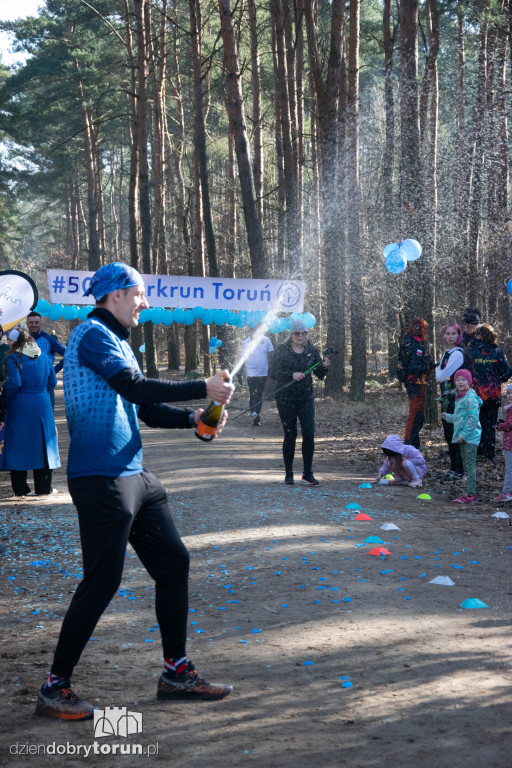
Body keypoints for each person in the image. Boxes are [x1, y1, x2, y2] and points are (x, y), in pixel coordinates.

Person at [35, 262, 234, 722]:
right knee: (102, 581)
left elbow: (142, 406)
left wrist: (193, 420)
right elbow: (132, 385)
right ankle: (54, 687)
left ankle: (175, 672)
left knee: (174, 562)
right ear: (116, 295)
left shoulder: (122, 342)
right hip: (101, 478)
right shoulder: (91, 334)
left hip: (135, 475)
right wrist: (202, 386)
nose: (146, 302)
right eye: (140, 293)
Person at [269, 317, 330, 485]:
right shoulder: (281, 350)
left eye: (304, 333)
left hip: (306, 397)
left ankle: (307, 473)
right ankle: (289, 473)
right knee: (290, 434)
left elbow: (319, 375)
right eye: (297, 333)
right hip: (285, 398)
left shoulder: (311, 350)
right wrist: (291, 375)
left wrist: (324, 366)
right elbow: (273, 372)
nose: (301, 336)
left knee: (309, 434)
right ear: (291, 334)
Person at [2, 328, 60, 496]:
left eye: (10, 340)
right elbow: (52, 381)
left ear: (17, 341)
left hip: (21, 403)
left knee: (18, 444)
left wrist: (3, 398)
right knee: (43, 444)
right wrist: (39, 390)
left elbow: (14, 383)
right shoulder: (43, 355)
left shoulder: (14, 357)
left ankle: (20, 489)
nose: (9, 343)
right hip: (42, 402)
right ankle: (43, 488)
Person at [468, 323, 511, 463]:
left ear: (480, 335)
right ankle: (489, 454)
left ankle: (479, 452)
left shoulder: (470, 350)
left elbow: (465, 372)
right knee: (489, 425)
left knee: (475, 423)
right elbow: (506, 374)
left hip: (475, 395)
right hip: (492, 394)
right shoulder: (497, 351)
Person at [435, 322, 472, 483]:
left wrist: (442, 375)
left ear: (459, 335)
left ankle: (460, 470)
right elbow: (439, 375)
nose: (450, 337)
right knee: (449, 434)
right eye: (448, 334)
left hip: (456, 399)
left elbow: (442, 376)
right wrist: (441, 375)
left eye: (453, 334)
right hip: (447, 397)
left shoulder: (457, 354)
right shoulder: (447, 353)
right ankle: (453, 468)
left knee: (456, 433)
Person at [442, 369, 482, 503]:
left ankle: (470, 495)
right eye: (458, 380)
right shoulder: (461, 397)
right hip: (463, 437)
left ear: (469, 382)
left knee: (470, 467)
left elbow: (473, 419)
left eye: (463, 380)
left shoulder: (470, 398)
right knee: (466, 466)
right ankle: (469, 492)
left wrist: (464, 435)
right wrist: (448, 417)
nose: (460, 382)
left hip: (470, 437)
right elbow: (460, 418)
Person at [397, 318, 433, 449]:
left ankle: (413, 445)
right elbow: (414, 367)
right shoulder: (415, 344)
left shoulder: (408, 341)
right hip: (415, 384)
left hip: (414, 383)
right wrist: (429, 366)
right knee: (416, 415)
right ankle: (409, 444)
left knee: (417, 415)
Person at [27, 311, 67, 409]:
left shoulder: (50, 340)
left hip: (46, 387)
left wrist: (54, 370)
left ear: (41, 323)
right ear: (27, 324)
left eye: (36, 322)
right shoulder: (23, 340)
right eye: (31, 322)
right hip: (26, 388)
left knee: (46, 421)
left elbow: (69, 354)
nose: (34, 325)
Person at [240, 325, 274, 425]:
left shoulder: (266, 340)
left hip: (263, 373)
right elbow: (242, 359)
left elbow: (271, 355)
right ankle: (255, 413)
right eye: (252, 329)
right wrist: (239, 373)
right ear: (250, 330)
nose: (254, 331)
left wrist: (272, 369)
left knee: (259, 394)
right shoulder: (245, 342)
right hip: (251, 374)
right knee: (253, 394)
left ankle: (255, 414)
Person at [493, 383, 512, 502]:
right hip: (508, 442)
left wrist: (500, 426)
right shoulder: (509, 409)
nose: (510, 396)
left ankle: (506, 492)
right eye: (509, 393)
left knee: (509, 469)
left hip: (510, 444)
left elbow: (510, 424)